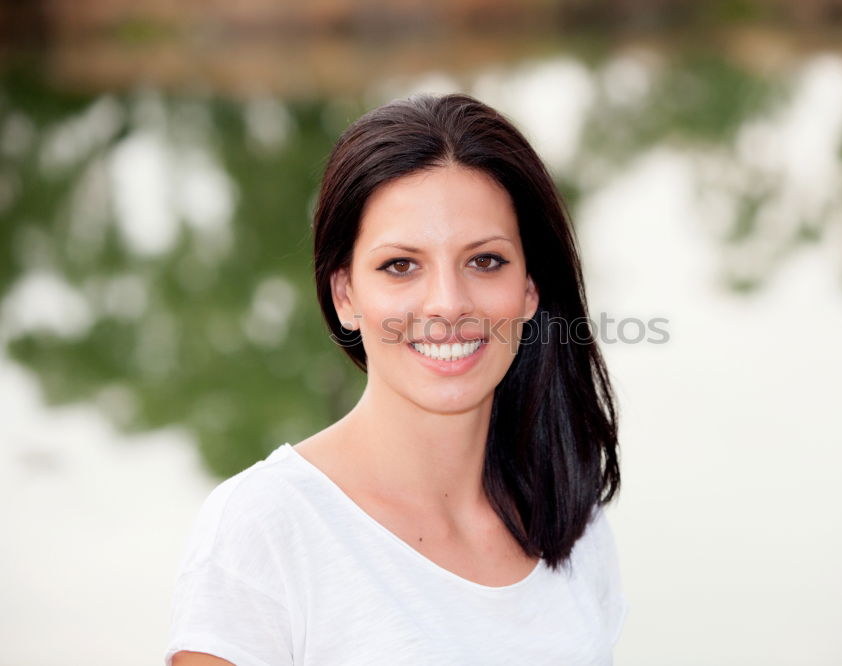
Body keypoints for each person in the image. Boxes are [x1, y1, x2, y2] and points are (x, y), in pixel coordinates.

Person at [164, 92, 626, 665]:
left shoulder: (569, 515)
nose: (448, 304)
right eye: (400, 265)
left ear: (530, 290)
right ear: (345, 295)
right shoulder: (265, 529)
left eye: (485, 260)